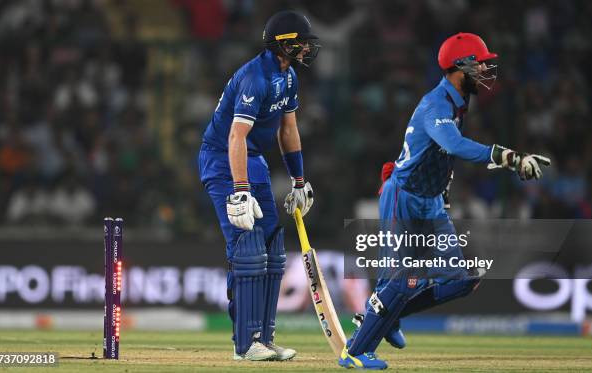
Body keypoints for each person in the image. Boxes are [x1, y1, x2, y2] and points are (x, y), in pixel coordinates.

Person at [339, 32, 551, 369]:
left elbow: (438, 155)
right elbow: (453, 145)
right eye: (479, 65)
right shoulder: (436, 104)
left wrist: (444, 188)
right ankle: (355, 352)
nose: (485, 72)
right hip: (403, 198)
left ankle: (381, 314)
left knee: (462, 278)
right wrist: (509, 157)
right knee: (401, 279)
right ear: (459, 68)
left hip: (431, 201)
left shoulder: (457, 103)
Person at [198, 10, 320, 361]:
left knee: (271, 244)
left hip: (253, 159)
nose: (307, 49)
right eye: (301, 43)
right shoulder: (256, 77)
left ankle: (264, 339)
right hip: (223, 158)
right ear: (283, 44)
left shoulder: (289, 75)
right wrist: (241, 189)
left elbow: (288, 129)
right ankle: (245, 342)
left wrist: (299, 180)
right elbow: (236, 136)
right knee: (247, 245)